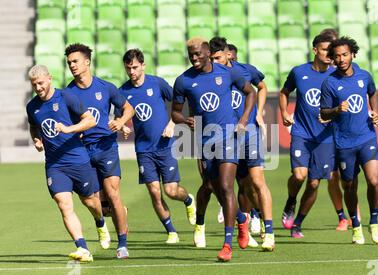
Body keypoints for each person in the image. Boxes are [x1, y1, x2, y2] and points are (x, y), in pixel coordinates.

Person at [171, 38, 257, 262]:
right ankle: (241, 219)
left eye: (198, 53)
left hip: (229, 137)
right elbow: (175, 113)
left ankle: (227, 245)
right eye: (191, 55)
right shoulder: (183, 81)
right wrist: (185, 120)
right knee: (213, 186)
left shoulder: (227, 73)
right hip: (204, 141)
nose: (195, 58)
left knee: (227, 186)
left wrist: (245, 119)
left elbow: (251, 92)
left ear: (208, 52)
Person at [26, 65, 111, 262]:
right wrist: (36, 140)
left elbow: (90, 121)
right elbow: (33, 126)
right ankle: (82, 248)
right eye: (34, 85)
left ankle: (100, 222)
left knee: (90, 201)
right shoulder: (32, 106)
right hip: (55, 165)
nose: (38, 87)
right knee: (64, 205)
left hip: (78, 159)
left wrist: (69, 129)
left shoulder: (66, 97)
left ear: (49, 79)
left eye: (40, 83)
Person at [118, 49, 197, 244]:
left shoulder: (157, 83)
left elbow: (180, 103)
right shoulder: (123, 92)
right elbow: (123, 117)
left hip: (165, 146)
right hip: (144, 149)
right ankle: (171, 231)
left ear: (143, 65)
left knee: (171, 191)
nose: (132, 72)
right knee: (154, 191)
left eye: (135, 67)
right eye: (128, 68)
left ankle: (188, 200)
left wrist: (172, 123)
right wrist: (125, 127)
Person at [280, 33, 353, 239]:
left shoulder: (336, 77)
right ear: (314, 50)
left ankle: (298, 223)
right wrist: (284, 112)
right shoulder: (299, 72)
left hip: (326, 137)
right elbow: (285, 92)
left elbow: (346, 104)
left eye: (332, 52)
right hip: (302, 132)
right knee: (299, 176)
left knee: (314, 183)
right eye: (324, 50)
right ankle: (291, 200)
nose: (329, 55)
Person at [64, 44, 134, 259]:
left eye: (75, 61)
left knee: (113, 194)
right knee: (94, 202)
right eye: (69, 63)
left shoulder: (106, 87)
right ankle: (101, 221)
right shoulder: (67, 93)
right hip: (83, 151)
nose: (72, 66)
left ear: (87, 62)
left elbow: (128, 108)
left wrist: (121, 121)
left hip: (106, 147)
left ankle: (122, 245)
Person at [209, 36, 275, 251]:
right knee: (238, 185)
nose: (215, 61)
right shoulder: (209, 75)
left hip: (249, 133)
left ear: (228, 54)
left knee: (257, 182)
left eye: (218, 57)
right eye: (212, 58)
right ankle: (244, 224)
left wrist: (259, 114)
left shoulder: (245, 71)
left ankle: (269, 231)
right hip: (226, 135)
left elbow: (261, 87)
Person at [320, 37, 378, 245]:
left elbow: (373, 92)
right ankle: (356, 226)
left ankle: (373, 223)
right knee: (350, 186)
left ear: (353, 54)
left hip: (366, 137)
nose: (341, 59)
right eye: (336, 56)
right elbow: (324, 113)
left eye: (344, 54)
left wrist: (374, 111)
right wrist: (337, 110)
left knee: (373, 180)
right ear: (332, 58)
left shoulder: (364, 76)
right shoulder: (329, 83)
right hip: (344, 143)